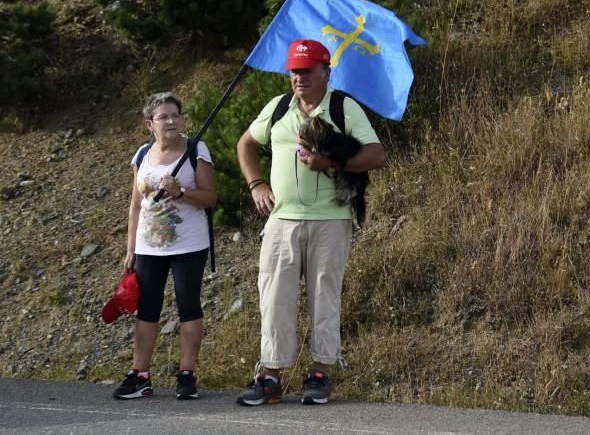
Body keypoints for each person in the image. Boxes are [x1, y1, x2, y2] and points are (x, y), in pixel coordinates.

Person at [235, 39, 386, 406]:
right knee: (274, 297)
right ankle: (270, 376)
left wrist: (330, 164)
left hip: (331, 219)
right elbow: (246, 144)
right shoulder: (278, 107)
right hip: (282, 219)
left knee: (324, 296)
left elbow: (375, 155)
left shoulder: (342, 106)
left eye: (307, 70)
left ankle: (319, 374)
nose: (299, 77)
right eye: (294, 71)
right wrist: (256, 184)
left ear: (325, 72)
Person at [112, 92, 217, 400]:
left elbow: (211, 198)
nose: (172, 121)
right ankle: (140, 374)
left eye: (176, 115)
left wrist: (181, 191)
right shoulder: (142, 154)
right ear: (149, 124)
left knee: (188, 305)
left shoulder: (197, 150)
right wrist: (131, 247)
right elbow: (135, 205)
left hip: (189, 244)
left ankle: (187, 375)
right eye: (164, 117)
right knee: (147, 309)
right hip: (149, 247)